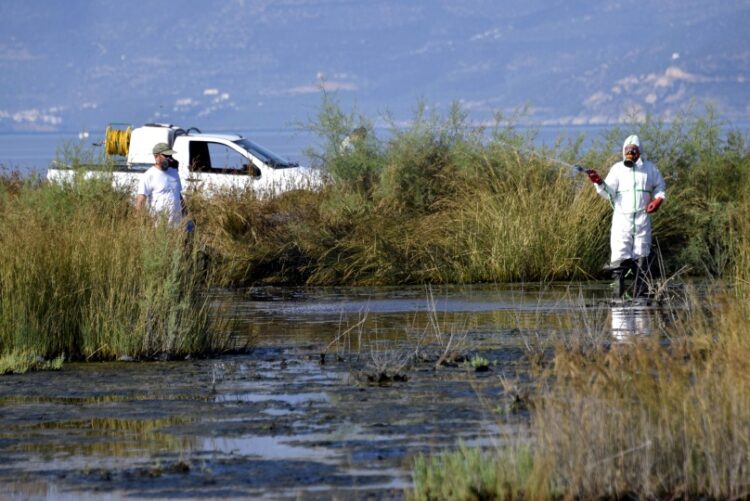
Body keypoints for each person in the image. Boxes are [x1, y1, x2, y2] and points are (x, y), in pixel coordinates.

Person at [586, 135, 666, 299]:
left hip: (643, 219)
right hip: (622, 220)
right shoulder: (617, 169)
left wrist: (658, 199)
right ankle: (617, 297)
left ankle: (641, 296)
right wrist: (599, 182)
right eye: (628, 150)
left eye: (634, 150)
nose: (631, 152)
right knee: (619, 257)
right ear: (623, 151)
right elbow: (608, 192)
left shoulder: (650, 169)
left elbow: (660, 186)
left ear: (639, 151)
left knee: (642, 256)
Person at [135, 142, 184, 228]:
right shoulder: (148, 175)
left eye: (171, 156)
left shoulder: (174, 172)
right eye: (167, 156)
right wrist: (141, 224)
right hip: (158, 227)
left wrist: (187, 215)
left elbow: (178, 195)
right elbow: (140, 201)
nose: (170, 159)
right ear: (156, 156)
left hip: (177, 227)